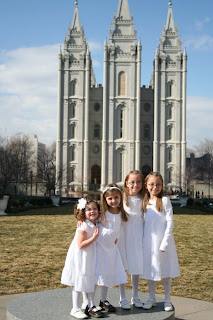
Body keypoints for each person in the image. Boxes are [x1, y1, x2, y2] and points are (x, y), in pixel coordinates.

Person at [141, 172, 180, 312]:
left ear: (162, 185)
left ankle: (167, 299)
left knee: (165, 269)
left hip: (163, 241)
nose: (154, 187)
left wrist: (165, 241)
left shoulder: (164, 201)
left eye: (158, 184)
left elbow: (170, 222)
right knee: (152, 269)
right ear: (146, 185)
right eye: (151, 184)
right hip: (149, 242)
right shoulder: (144, 202)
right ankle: (151, 297)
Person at [61, 198, 104, 319]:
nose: (92, 211)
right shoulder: (84, 225)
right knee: (79, 281)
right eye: (89, 209)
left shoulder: (95, 222)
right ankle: (74, 308)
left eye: (94, 209)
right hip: (81, 256)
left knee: (88, 279)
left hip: (89, 255)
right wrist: (93, 238)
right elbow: (80, 245)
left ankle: (88, 304)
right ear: (83, 212)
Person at [96, 183, 128, 313]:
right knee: (104, 270)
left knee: (119, 269)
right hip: (105, 246)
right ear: (105, 200)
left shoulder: (122, 212)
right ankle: (97, 300)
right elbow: (95, 225)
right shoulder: (103, 213)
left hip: (119, 244)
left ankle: (119, 297)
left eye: (116, 197)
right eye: (110, 198)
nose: (113, 201)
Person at [119, 170, 144, 309]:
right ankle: (122, 297)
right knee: (123, 266)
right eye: (132, 182)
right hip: (124, 236)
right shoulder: (121, 197)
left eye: (138, 182)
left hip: (138, 236)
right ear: (126, 183)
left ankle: (135, 296)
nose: (135, 184)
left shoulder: (144, 198)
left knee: (136, 267)